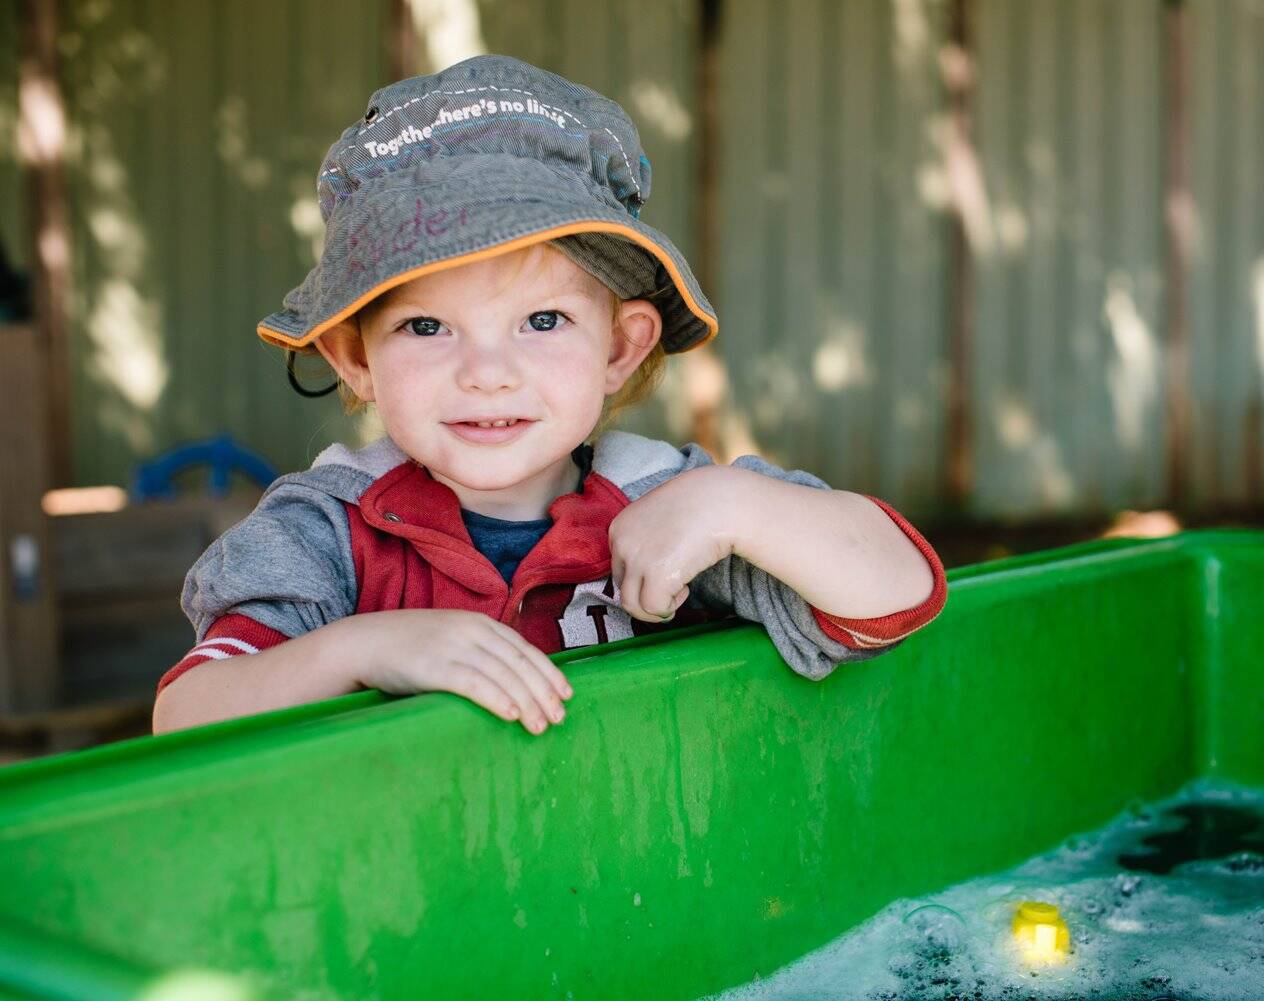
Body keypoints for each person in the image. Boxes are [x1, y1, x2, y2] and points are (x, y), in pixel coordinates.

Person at [152, 55, 946, 737]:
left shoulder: (674, 504)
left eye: (541, 319)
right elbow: (185, 714)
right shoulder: (325, 528)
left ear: (620, 346)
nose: (487, 372)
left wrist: (732, 505)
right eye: (427, 326)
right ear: (354, 358)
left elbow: (900, 593)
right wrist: (367, 647)